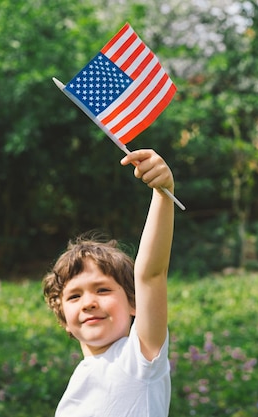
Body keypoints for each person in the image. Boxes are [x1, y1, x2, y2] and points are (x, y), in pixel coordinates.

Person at [42, 149, 175, 417]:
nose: (89, 303)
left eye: (102, 290)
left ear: (134, 303)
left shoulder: (139, 358)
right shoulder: (79, 381)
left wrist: (163, 193)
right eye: (74, 296)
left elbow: (150, 275)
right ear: (64, 319)